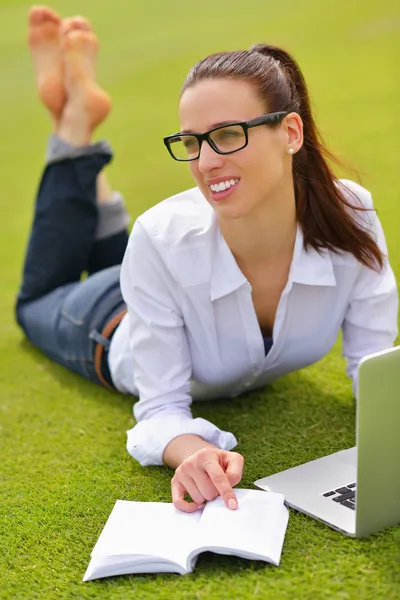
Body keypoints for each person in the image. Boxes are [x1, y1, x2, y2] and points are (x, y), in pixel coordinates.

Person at [17, 6, 398, 514]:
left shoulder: (351, 214)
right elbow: (159, 411)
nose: (206, 161)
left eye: (226, 135)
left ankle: (78, 119)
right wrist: (192, 452)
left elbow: (373, 369)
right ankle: (72, 130)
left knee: (143, 250)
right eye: (192, 142)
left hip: (157, 274)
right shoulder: (161, 238)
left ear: (290, 132)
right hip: (108, 321)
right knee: (37, 300)